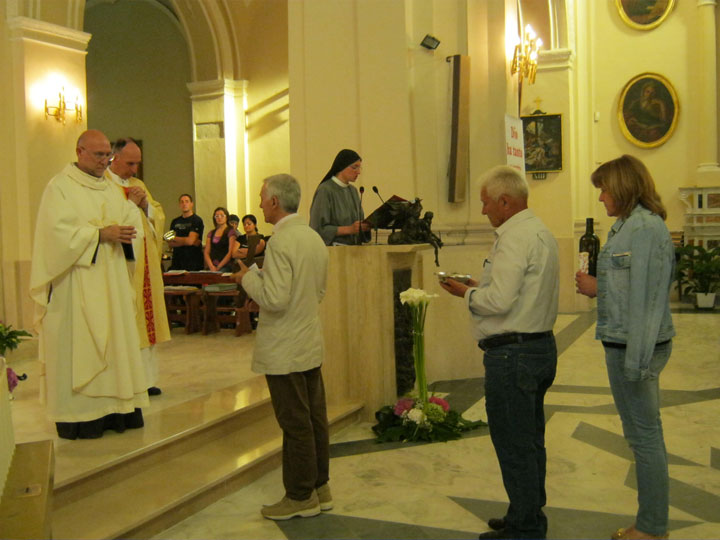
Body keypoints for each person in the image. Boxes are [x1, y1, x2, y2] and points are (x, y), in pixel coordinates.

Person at [440, 165, 559, 539]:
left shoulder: (513, 238)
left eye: (486, 203)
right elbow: (520, 291)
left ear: (505, 201)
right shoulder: (538, 231)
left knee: (514, 443)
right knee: (529, 440)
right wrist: (480, 285)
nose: (483, 211)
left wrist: (467, 293)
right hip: (538, 347)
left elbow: (500, 301)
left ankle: (525, 528)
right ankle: (526, 513)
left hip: (513, 355)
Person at [576, 155, 674, 540]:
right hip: (621, 341)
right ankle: (650, 523)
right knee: (641, 434)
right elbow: (627, 288)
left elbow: (648, 300)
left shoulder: (646, 229)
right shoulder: (624, 227)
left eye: (604, 188)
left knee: (644, 437)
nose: (600, 197)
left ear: (623, 187)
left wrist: (637, 362)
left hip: (636, 345)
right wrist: (599, 287)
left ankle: (651, 528)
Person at [29, 129, 149, 440]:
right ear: (79, 151)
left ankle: (116, 410)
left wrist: (133, 217)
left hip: (111, 283)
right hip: (76, 285)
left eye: (107, 154)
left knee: (115, 345)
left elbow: (129, 222)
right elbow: (54, 235)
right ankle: (80, 417)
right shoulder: (60, 187)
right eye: (98, 155)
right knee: (81, 345)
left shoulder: (110, 188)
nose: (104, 161)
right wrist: (98, 235)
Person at [234, 173, 330, 520]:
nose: (260, 203)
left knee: (295, 423)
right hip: (308, 340)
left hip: (285, 347)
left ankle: (300, 496)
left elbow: (274, 299)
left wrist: (247, 277)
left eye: (262, 197)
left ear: (275, 202)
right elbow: (317, 292)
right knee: (315, 418)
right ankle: (321, 487)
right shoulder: (313, 238)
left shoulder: (280, 242)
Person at [106, 138, 170, 397]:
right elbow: (109, 221)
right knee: (128, 324)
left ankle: (147, 379)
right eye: (131, 163)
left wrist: (144, 205)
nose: (135, 169)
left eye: (137, 164)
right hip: (122, 265)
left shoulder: (138, 185)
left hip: (145, 265)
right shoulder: (104, 186)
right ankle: (130, 380)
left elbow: (158, 214)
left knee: (147, 323)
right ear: (115, 158)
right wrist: (130, 205)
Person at [309, 148, 370, 245]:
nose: (358, 172)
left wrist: (365, 226)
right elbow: (317, 228)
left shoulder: (353, 191)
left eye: (359, 168)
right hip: (334, 252)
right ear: (342, 167)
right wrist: (349, 229)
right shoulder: (325, 190)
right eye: (354, 167)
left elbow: (359, 225)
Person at [168, 194, 204, 271]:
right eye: (182, 202)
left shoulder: (196, 220)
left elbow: (190, 241)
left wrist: (175, 238)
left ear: (191, 204)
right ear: (179, 205)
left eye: (187, 201)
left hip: (192, 261)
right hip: (177, 261)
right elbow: (170, 243)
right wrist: (186, 241)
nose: (184, 204)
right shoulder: (175, 222)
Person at [203, 207, 236, 272]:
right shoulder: (211, 233)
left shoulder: (230, 232)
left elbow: (230, 253)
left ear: (227, 217)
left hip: (225, 265)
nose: (219, 218)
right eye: (217, 216)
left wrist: (218, 267)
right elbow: (206, 252)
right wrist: (211, 266)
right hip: (212, 265)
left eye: (222, 215)